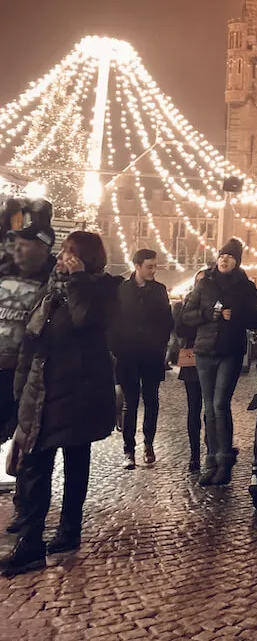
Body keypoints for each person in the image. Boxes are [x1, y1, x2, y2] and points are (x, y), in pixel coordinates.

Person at [0, 231, 119, 577]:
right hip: (44, 389)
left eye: (74, 254)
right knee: (36, 463)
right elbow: (31, 341)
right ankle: (32, 541)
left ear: (89, 258)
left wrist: (79, 278)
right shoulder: (49, 291)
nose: (66, 258)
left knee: (74, 460)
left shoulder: (104, 289)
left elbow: (85, 319)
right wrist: (21, 389)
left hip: (78, 392)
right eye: (65, 252)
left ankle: (67, 529)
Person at [181, 238, 257, 486]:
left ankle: (224, 461)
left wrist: (235, 315)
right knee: (208, 406)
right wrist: (210, 314)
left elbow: (256, 318)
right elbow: (187, 315)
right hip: (205, 350)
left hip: (230, 351)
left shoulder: (246, 287)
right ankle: (211, 459)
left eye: (229, 256)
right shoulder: (205, 284)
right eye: (221, 255)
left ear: (236, 261)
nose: (224, 259)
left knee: (219, 405)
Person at [0, 224, 56, 501]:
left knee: (27, 439)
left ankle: (24, 501)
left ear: (43, 248)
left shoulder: (52, 284)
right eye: (16, 243)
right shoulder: (3, 273)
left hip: (28, 373)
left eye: (25, 244)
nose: (18, 249)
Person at [113, 249, 173, 470]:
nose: (153, 270)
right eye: (149, 266)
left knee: (151, 400)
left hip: (151, 354)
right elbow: (114, 320)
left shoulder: (159, 290)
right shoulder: (122, 290)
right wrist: (117, 347)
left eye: (155, 266)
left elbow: (167, 321)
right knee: (130, 402)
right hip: (127, 354)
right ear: (137, 266)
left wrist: (160, 344)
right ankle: (129, 449)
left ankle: (148, 443)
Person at [172, 293, 205, 472]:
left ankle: (214, 450)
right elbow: (180, 329)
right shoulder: (190, 304)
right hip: (192, 361)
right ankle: (194, 454)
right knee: (194, 408)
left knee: (214, 409)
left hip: (212, 358)